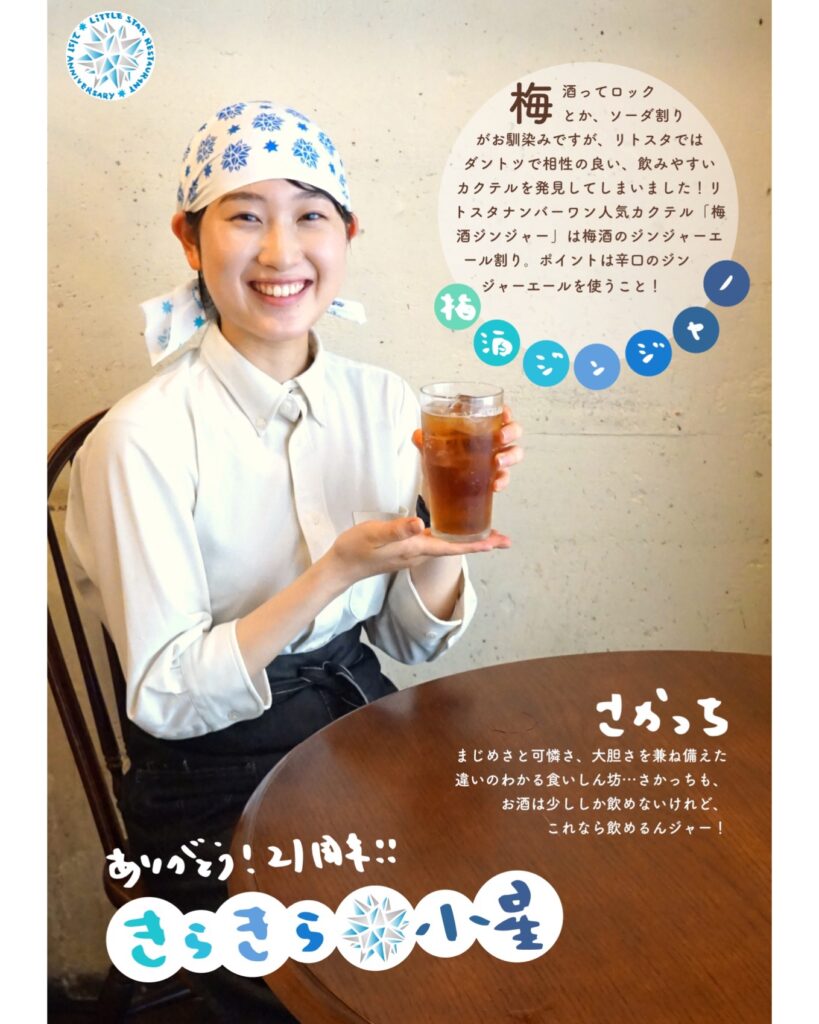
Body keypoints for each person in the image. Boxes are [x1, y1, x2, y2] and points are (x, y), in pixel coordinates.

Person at [65, 100, 523, 1020]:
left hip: (357, 721)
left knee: (505, 888)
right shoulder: (140, 440)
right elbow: (166, 697)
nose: (281, 252)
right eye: (244, 216)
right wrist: (333, 573)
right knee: (348, 972)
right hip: (207, 769)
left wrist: (448, 537)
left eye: (311, 215)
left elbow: (410, 642)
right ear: (189, 239)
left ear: (346, 236)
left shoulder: (383, 400)